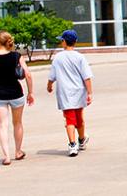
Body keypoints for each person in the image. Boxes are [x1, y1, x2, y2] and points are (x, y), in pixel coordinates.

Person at [0, 30, 33, 166]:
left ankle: (6, 156)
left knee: (2, 125)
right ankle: (18, 151)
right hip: (16, 93)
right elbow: (28, 75)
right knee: (17, 123)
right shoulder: (16, 56)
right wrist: (31, 93)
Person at [47, 29, 94, 157]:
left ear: (64, 42)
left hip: (65, 93)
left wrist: (49, 85)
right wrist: (90, 93)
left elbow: (52, 76)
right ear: (75, 42)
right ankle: (81, 139)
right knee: (79, 118)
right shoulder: (80, 57)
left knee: (69, 120)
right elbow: (87, 77)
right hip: (79, 92)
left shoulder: (58, 58)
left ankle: (72, 145)